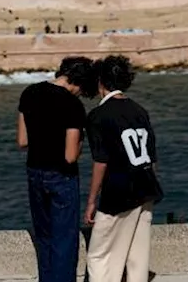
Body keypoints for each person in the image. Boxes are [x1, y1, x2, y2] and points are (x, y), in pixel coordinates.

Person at [17, 56, 97, 282]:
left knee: (44, 237)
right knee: (64, 239)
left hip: (34, 172)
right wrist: (81, 139)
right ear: (79, 82)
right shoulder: (72, 105)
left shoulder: (29, 93)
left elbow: (22, 141)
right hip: (61, 176)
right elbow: (70, 156)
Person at [84, 56, 163, 282]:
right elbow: (151, 156)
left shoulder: (98, 116)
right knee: (137, 257)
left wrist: (91, 200)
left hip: (119, 192)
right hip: (146, 187)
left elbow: (101, 161)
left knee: (100, 255)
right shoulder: (139, 110)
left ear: (101, 81)